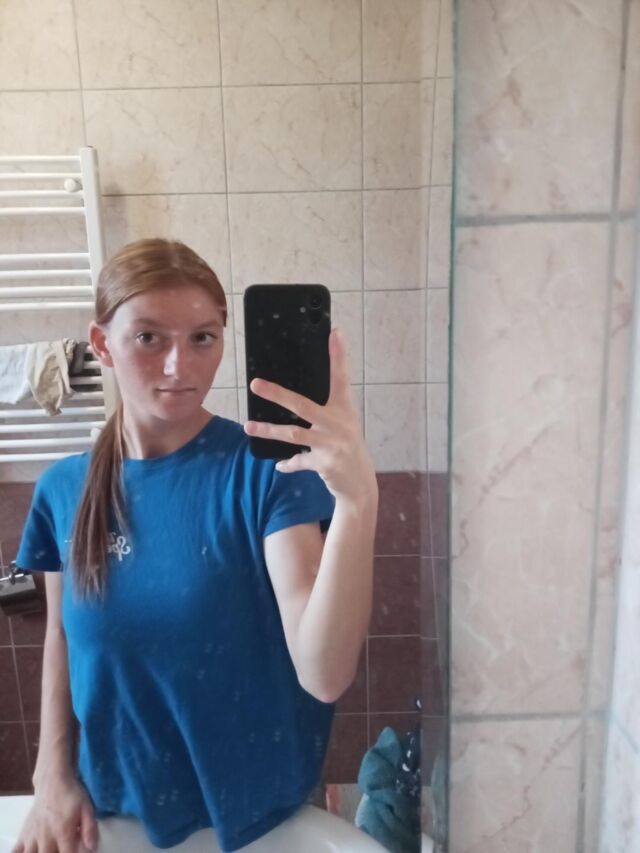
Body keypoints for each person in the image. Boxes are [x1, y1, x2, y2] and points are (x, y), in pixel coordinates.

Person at [12, 239, 378, 853]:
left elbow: (323, 673)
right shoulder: (61, 490)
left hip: (259, 820)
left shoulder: (268, 473)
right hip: (111, 813)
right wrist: (51, 775)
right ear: (102, 344)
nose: (179, 366)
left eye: (202, 338)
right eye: (149, 338)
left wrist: (357, 502)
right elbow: (62, 637)